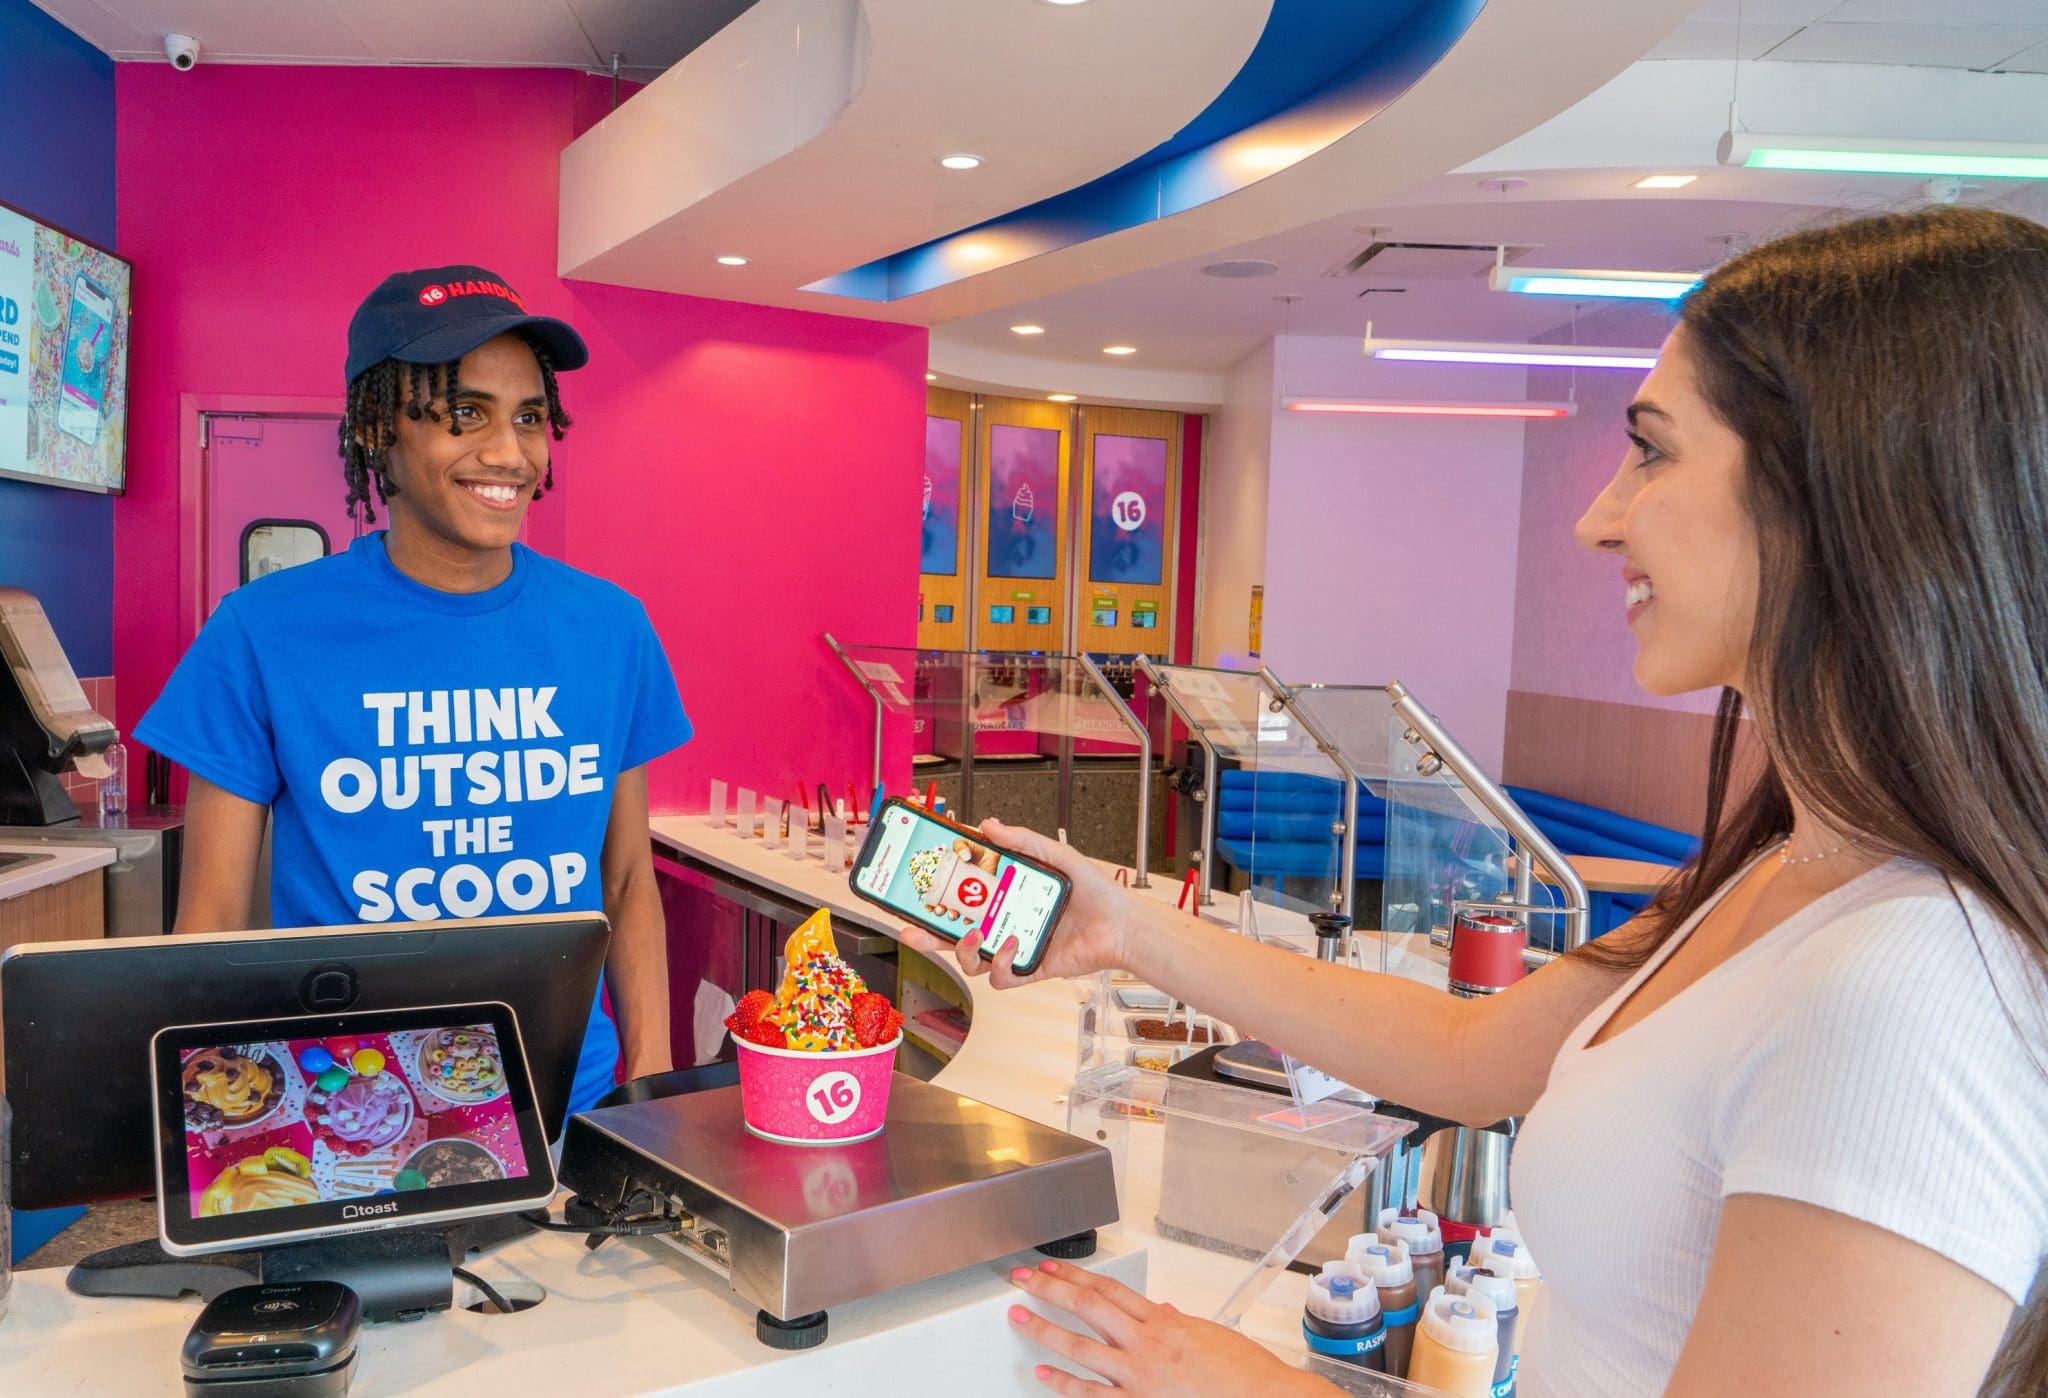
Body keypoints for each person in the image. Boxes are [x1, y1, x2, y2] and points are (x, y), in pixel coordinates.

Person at [904, 207, 2048, 1397]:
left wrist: (1256, 1387)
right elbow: (1468, 1051)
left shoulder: (1909, 989)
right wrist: (1126, 927)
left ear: (1843, 489)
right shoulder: (1787, 867)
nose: (1597, 516)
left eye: (1650, 450)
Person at [137, 265, 692, 1113]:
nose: (510, 453)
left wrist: (652, 1087)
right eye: (464, 413)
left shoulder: (610, 629)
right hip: (342, 1102)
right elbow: (210, 924)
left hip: (568, 1109)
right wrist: (219, 1120)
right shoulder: (260, 631)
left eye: (530, 417)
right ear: (375, 431)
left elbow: (625, 884)